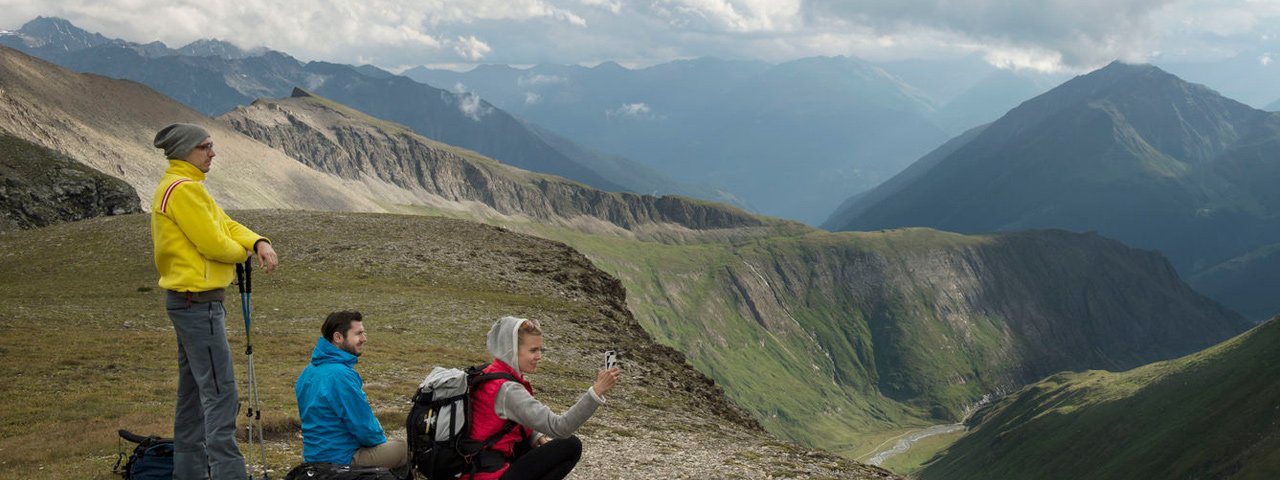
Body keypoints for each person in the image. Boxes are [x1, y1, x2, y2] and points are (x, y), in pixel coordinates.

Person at [151, 122, 279, 480]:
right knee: (221, 395)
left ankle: (189, 473)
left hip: (191, 303)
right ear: (185, 151)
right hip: (198, 305)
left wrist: (258, 242)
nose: (212, 152)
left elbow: (226, 225)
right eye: (205, 146)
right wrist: (245, 253)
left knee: (193, 395)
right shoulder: (183, 191)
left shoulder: (188, 187)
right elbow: (214, 243)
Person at [465, 316, 621, 480]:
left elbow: (500, 420)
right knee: (571, 446)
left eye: (540, 350)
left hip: (472, 467)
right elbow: (560, 427)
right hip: (486, 475)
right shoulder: (508, 389)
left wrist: (534, 436)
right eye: (533, 350)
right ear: (512, 350)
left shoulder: (489, 373)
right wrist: (597, 392)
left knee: (532, 444)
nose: (539, 356)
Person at [295, 311, 409, 470]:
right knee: (406, 448)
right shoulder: (341, 376)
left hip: (314, 458)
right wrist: (381, 444)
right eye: (358, 334)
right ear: (338, 337)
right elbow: (364, 427)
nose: (364, 338)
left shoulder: (308, 372)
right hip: (341, 459)